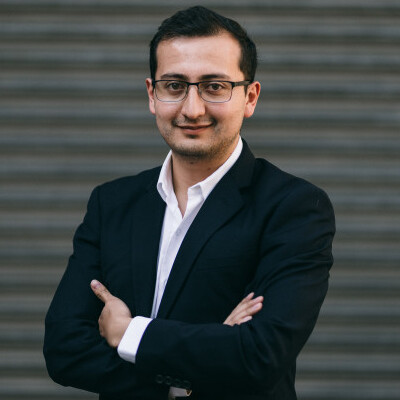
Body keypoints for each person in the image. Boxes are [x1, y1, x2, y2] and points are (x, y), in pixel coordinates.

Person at [43, 6, 335, 400]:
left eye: (214, 86)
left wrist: (129, 333)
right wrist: (191, 372)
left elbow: (260, 356)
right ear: (152, 94)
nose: (192, 109)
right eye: (174, 85)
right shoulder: (112, 203)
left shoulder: (294, 208)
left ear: (250, 97)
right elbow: (64, 350)